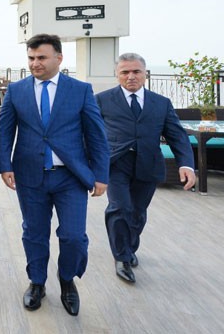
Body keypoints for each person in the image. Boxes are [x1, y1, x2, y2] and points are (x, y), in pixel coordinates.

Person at [0, 33, 109, 316]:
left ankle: (67, 279)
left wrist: (101, 175)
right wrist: (5, 165)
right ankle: (37, 282)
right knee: (34, 232)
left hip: (70, 177)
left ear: (59, 58)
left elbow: (96, 136)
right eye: (31, 58)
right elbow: (4, 131)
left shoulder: (80, 90)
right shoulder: (16, 90)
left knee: (73, 236)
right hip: (30, 175)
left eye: (42, 58)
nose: (35, 63)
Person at [95, 53, 195, 283]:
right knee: (120, 207)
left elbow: (177, 136)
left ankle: (129, 247)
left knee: (137, 212)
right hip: (115, 163)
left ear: (145, 74)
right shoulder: (101, 100)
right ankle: (121, 257)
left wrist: (186, 164)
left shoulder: (161, 103)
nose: (131, 76)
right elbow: (89, 133)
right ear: (117, 75)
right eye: (125, 72)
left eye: (136, 71)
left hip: (148, 164)